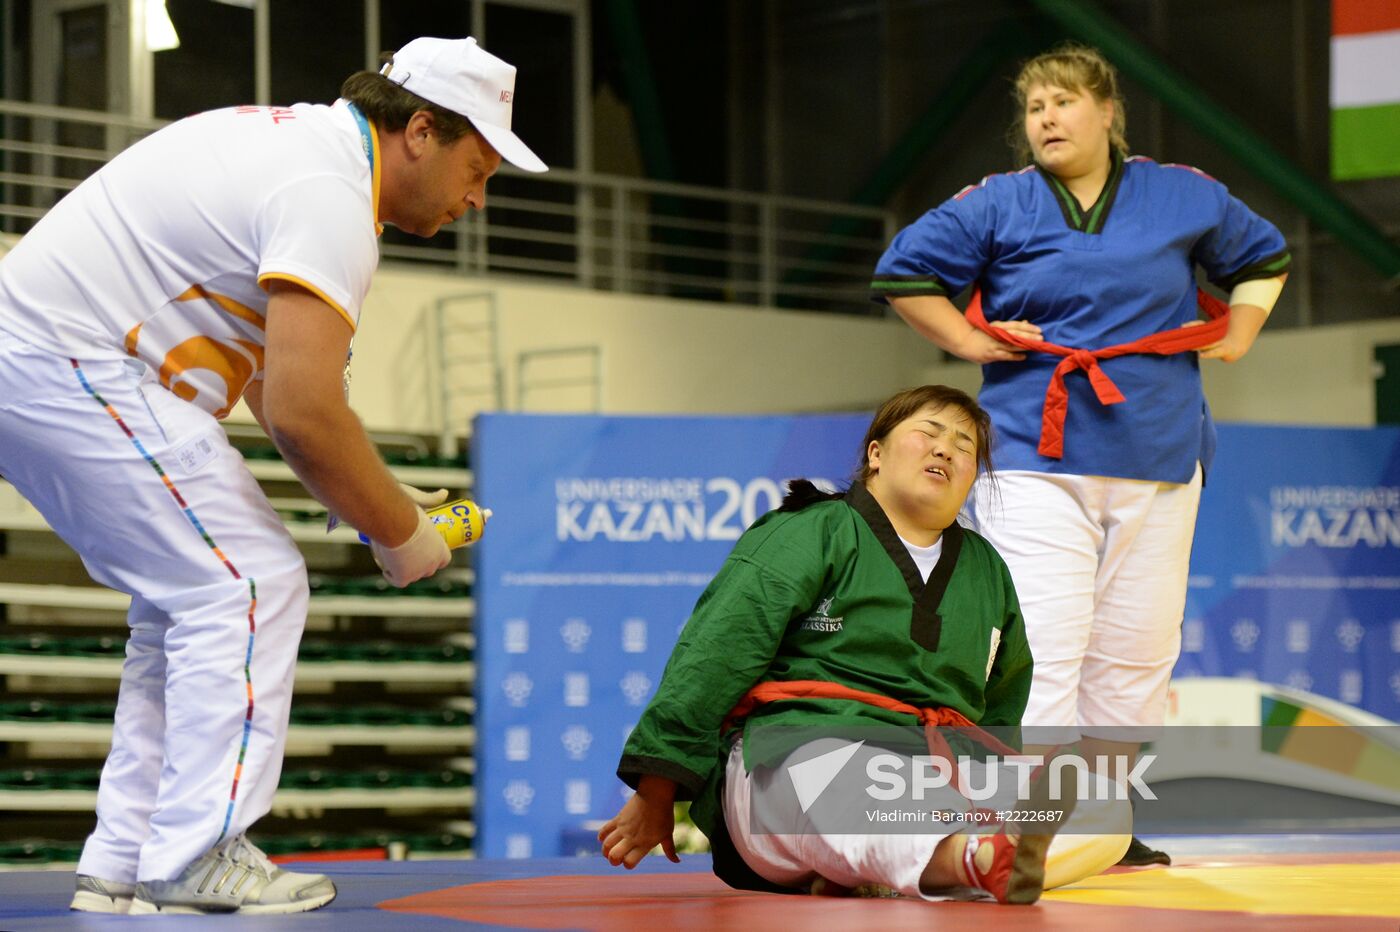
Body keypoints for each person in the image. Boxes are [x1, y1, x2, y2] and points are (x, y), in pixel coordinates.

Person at [0, 37, 546, 914]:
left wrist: (371, 495)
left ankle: (126, 859)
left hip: (47, 360)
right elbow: (302, 412)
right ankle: (196, 853)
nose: (478, 199)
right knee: (249, 583)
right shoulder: (329, 193)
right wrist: (403, 538)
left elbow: (268, 378)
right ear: (418, 132)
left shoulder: (306, 153)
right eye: (477, 170)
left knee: (189, 603)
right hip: (68, 361)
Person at [870, 44, 1289, 866]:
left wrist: (1240, 332)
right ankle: (1025, 826)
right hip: (1036, 451)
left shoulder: (1181, 193)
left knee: (1137, 651)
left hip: (1159, 447)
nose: (1047, 119)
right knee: (1042, 643)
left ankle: (1105, 826)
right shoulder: (1000, 201)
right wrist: (969, 340)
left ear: (1107, 112)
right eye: (1034, 108)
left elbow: (1264, 256)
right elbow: (903, 272)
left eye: (1063, 102)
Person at [599, 385, 1129, 905]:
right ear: (876, 454)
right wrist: (657, 789)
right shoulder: (813, 530)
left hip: (933, 772)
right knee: (843, 777)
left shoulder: (986, 569)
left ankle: (932, 862)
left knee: (1104, 808)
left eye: (964, 446)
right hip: (798, 754)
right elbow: (716, 652)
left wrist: (995, 781)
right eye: (929, 433)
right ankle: (968, 860)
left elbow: (1000, 706)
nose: (946, 449)